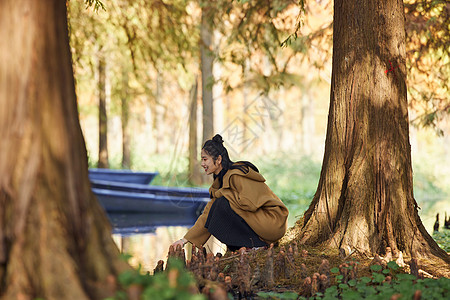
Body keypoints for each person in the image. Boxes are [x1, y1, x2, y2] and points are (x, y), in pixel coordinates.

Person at [172, 134, 289, 251]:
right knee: (218, 206)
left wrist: (223, 194)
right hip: (260, 222)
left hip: (273, 222)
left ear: (218, 160)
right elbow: (207, 214)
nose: (202, 164)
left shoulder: (237, 175)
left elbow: (249, 204)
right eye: (202, 159)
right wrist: (184, 240)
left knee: (222, 204)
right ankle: (245, 246)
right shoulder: (221, 180)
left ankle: (256, 245)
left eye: (205, 159)